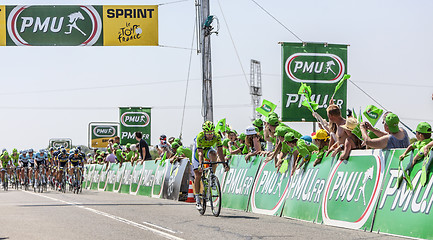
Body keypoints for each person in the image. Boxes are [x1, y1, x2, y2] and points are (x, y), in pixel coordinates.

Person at [193, 121, 230, 210]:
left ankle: (212, 177)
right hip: (198, 152)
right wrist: (201, 164)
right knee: (198, 174)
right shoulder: (200, 137)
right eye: (208, 134)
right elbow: (200, 153)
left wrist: (224, 163)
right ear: (204, 132)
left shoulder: (217, 136)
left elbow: (220, 151)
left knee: (214, 154)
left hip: (208, 149)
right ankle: (198, 200)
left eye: (211, 133)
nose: (210, 135)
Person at [398, 122, 432, 186]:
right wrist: (404, 154)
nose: (415, 135)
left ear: (420, 135)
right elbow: (411, 146)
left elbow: (421, 152)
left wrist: (414, 159)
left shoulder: (425, 144)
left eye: (416, 133)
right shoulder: (420, 142)